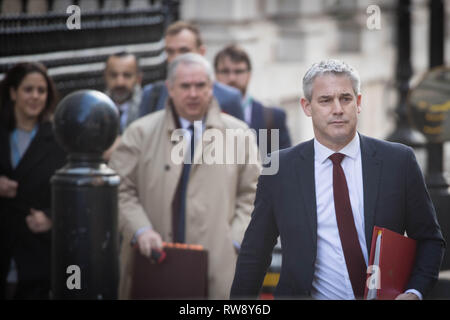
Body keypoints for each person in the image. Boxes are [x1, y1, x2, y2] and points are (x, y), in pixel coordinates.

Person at [230, 59, 445, 300]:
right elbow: (255, 251)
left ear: (359, 102)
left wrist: (414, 293)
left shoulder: (398, 161)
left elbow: (430, 241)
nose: (338, 109)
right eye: (325, 100)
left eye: (345, 98)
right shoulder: (280, 168)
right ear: (307, 106)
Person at [109, 53, 261, 299]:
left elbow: (254, 193)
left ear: (211, 88)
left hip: (217, 269)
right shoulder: (140, 133)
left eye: (200, 85)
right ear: (170, 88)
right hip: (153, 263)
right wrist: (140, 230)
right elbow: (120, 189)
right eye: (185, 86)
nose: (193, 93)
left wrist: (233, 241)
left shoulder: (239, 134)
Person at [0, 62, 67, 299]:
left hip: (36, 255)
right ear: (13, 92)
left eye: (41, 90)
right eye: (28, 89)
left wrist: (50, 218)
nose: (35, 97)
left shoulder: (59, 140)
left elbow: (70, 197)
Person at [139, 21, 245, 121]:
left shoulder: (230, 98)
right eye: (170, 52)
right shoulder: (152, 95)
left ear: (201, 52)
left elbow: (238, 137)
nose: (176, 57)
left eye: (184, 51)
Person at [214, 44, 291, 152]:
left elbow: (283, 163)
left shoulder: (272, 117)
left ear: (249, 74)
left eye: (238, 71)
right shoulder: (201, 114)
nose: (232, 78)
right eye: (225, 71)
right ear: (215, 75)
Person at [103, 51, 143, 160]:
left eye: (127, 75)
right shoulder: (96, 109)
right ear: (105, 77)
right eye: (114, 75)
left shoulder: (148, 107)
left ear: (138, 79)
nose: (120, 82)